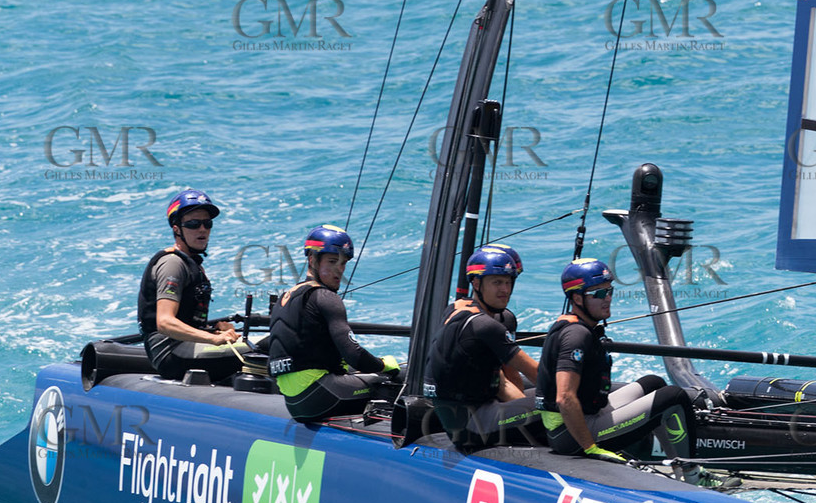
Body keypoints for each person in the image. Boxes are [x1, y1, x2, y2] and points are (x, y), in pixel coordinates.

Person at [538, 257, 695, 465]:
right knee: (674, 397)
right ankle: (692, 474)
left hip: (587, 415)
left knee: (653, 383)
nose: (608, 298)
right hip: (572, 434)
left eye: (609, 291)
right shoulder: (576, 335)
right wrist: (590, 448)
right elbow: (564, 397)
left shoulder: (578, 326)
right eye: (599, 293)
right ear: (577, 299)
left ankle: (676, 465)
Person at [267, 225, 400, 422]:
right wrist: (383, 364)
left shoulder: (286, 297)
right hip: (320, 397)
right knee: (393, 380)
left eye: (343, 263)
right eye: (332, 261)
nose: (339, 270)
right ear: (312, 259)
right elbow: (355, 355)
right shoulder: (325, 296)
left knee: (351, 371)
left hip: (293, 402)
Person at [428, 244, 541, 451]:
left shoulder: (458, 308)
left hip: (462, 419)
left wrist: (523, 408)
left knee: (542, 404)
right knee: (559, 403)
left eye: (508, 282)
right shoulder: (484, 325)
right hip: (472, 426)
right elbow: (537, 374)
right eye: (497, 282)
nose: (505, 290)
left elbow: (503, 378)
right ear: (477, 283)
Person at [137, 188, 252, 382]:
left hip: (186, 345)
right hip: (170, 353)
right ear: (176, 229)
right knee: (261, 350)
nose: (202, 229)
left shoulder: (193, 265)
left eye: (207, 224)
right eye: (193, 224)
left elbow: (187, 319)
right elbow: (165, 322)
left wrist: (213, 328)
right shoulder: (172, 264)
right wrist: (213, 339)